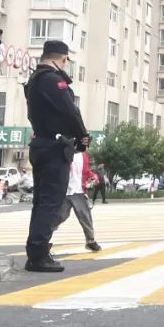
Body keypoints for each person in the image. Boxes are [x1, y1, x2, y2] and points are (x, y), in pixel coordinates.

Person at [23, 40, 89, 273]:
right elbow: (70, 111)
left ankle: (36, 251)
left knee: (41, 202)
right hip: (54, 146)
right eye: (65, 61)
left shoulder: (34, 80)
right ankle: (38, 255)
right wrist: (83, 137)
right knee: (51, 202)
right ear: (61, 59)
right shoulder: (53, 80)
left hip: (40, 144)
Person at [62, 151, 101, 252]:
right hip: (64, 192)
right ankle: (43, 240)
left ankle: (90, 241)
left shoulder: (83, 155)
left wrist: (93, 177)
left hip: (79, 191)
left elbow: (85, 171)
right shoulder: (63, 151)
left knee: (86, 217)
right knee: (59, 217)